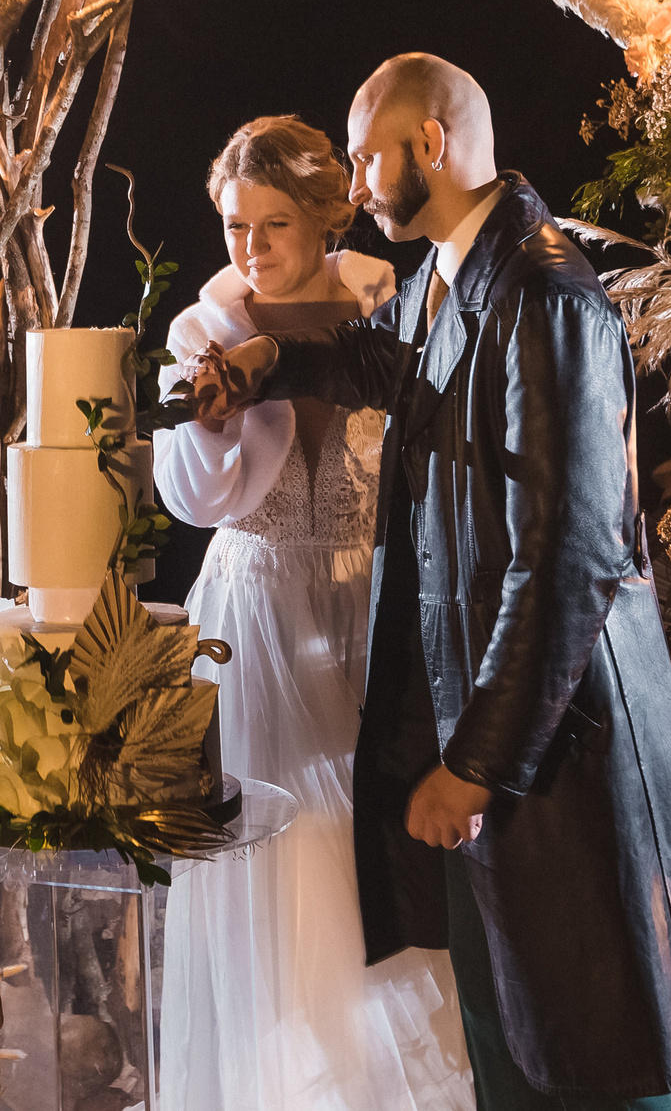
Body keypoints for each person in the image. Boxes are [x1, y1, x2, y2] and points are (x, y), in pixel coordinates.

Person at [189, 58, 671, 1109]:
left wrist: (472, 766)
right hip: (503, 742)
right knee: (517, 1055)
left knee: (595, 1059)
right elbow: (391, 369)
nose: (357, 178)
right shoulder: (454, 273)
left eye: (368, 152)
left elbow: (567, 555)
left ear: (428, 145)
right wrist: (267, 366)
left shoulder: (544, 290)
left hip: (551, 752)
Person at [153, 115, 474, 1111]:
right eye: (234, 227)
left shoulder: (391, 299)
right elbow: (195, 500)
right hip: (255, 616)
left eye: (273, 225)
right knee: (289, 860)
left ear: (327, 217)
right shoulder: (204, 329)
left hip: (376, 603)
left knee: (381, 848)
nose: (250, 249)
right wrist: (205, 429)